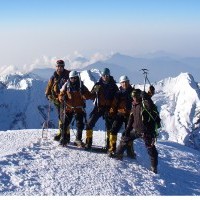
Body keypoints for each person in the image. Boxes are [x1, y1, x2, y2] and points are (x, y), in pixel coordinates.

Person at [115, 89, 159, 174]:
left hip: (145, 131)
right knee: (124, 139)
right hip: (135, 130)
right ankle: (118, 154)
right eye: (133, 96)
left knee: (151, 149)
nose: (134, 98)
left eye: (135, 96)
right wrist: (127, 129)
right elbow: (131, 119)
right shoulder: (134, 105)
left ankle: (154, 167)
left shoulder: (144, 104)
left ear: (139, 96)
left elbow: (150, 106)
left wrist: (146, 97)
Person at [85, 68, 119, 150]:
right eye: (104, 75)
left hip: (109, 108)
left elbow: (117, 98)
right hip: (99, 107)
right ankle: (88, 143)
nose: (105, 77)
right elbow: (92, 95)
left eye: (107, 75)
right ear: (102, 76)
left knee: (109, 127)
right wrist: (86, 94)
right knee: (89, 123)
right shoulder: (98, 85)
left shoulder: (113, 86)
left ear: (109, 75)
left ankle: (109, 145)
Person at [58, 70, 93, 147]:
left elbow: (88, 95)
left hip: (79, 109)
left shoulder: (81, 86)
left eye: (74, 78)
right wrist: (62, 97)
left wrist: (86, 95)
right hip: (69, 108)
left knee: (80, 124)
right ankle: (63, 138)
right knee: (64, 123)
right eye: (71, 78)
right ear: (69, 78)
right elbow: (60, 95)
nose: (73, 79)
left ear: (77, 78)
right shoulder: (66, 86)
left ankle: (78, 139)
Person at [107, 75, 135, 158]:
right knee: (113, 130)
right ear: (120, 83)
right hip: (120, 114)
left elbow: (142, 99)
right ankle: (112, 149)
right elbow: (114, 104)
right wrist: (111, 112)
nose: (125, 84)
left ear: (129, 82)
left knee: (128, 134)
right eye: (123, 82)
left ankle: (130, 151)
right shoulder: (118, 93)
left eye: (126, 82)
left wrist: (149, 93)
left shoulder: (134, 92)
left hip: (130, 115)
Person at [45, 60, 70, 141]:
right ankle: (62, 133)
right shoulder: (53, 77)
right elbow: (49, 85)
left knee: (65, 117)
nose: (59, 68)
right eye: (58, 66)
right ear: (56, 67)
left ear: (63, 67)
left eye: (61, 66)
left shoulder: (68, 75)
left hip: (66, 99)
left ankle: (66, 134)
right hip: (57, 100)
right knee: (60, 117)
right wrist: (47, 94)